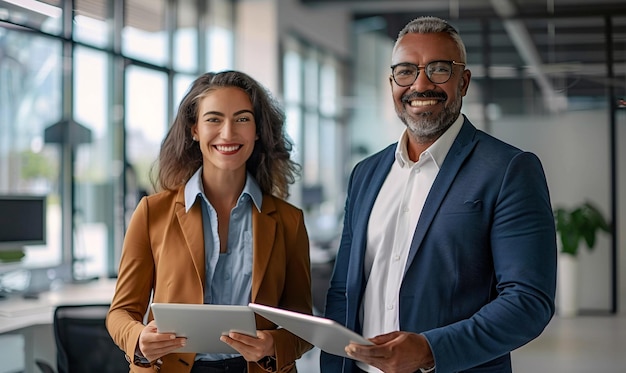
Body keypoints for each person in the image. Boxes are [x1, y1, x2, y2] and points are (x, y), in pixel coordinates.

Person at [321, 16, 556, 373]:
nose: (421, 84)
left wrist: (431, 350)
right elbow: (344, 290)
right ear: (392, 83)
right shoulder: (365, 174)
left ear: (463, 81)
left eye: (439, 69)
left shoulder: (508, 169)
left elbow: (528, 302)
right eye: (405, 71)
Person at [107, 70, 313, 373]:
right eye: (213, 119)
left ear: (257, 131)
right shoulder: (152, 212)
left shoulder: (288, 221)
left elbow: (303, 322)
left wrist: (274, 345)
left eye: (242, 119)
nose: (228, 133)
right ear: (194, 129)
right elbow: (121, 312)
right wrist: (137, 338)